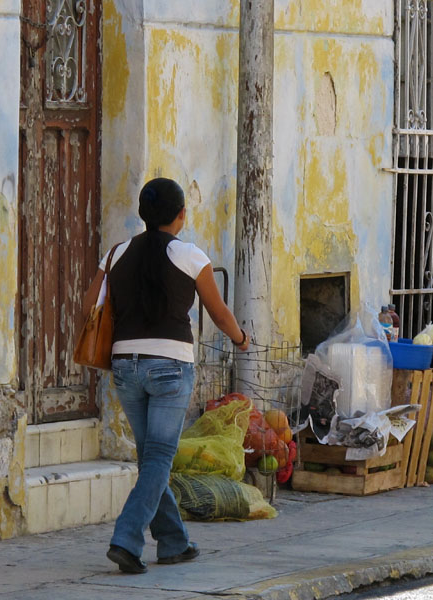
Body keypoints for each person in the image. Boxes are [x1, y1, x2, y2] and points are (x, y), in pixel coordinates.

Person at [82, 177, 250, 574]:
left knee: (151, 458)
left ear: (143, 213)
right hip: (171, 366)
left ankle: (174, 541)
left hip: (125, 366)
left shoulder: (116, 254)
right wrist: (241, 339)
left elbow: (89, 306)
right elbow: (219, 312)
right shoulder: (190, 256)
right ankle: (127, 539)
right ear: (181, 215)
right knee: (158, 457)